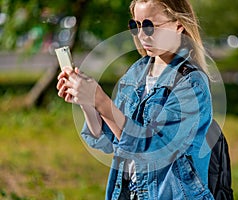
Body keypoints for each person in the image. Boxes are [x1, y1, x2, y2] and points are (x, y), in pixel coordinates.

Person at [57, 0, 215, 199]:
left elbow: (151, 149)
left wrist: (100, 100)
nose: (141, 35)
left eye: (149, 26)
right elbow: (110, 140)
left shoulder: (191, 84)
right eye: (136, 25)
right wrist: (87, 103)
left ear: (178, 24)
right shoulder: (137, 73)